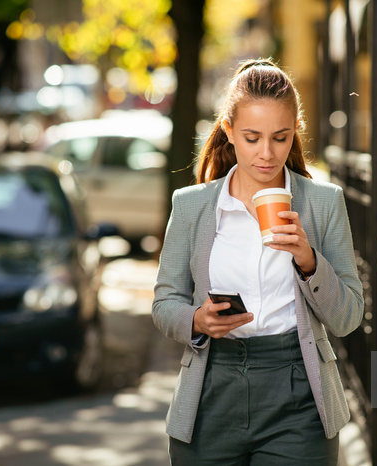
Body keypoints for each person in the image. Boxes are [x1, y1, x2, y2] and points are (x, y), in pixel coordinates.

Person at [152, 58, 364, 465]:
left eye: (280, 138)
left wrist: (308, 260)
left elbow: (349, 317)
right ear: (228, 131)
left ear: (294, 132)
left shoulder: (323, 204)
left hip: (298, 394)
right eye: (251, 138)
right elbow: (164, 303)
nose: (267, 154)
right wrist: (197, 320)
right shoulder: (193, 206)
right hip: (210, 393)